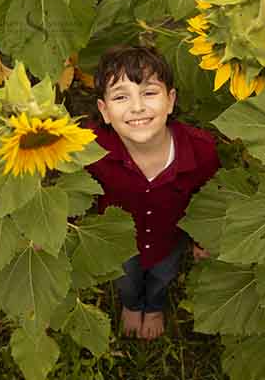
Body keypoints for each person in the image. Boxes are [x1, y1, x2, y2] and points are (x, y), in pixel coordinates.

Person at [86, 45, 220, 340]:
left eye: (149, 92)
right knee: (126, 280)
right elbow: (75, 193)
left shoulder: (201, 150)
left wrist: (201, 240)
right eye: (121, 96)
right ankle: (133, 306)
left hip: (169, 240)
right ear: (104, 111)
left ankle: (155, 306)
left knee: (163, 276)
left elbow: (207, 200)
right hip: (119, 244)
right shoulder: (89, 151)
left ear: (170, 100)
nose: (137, 107)